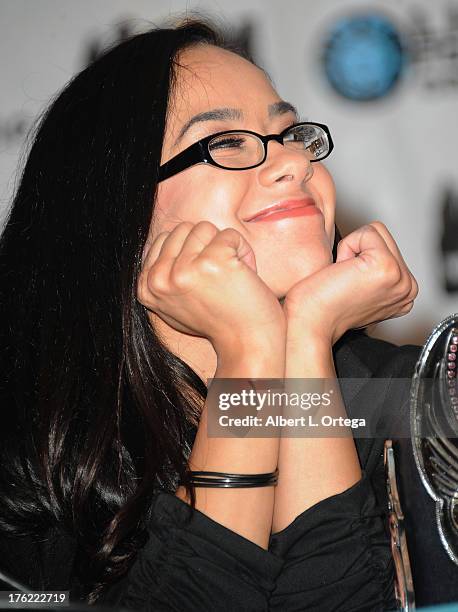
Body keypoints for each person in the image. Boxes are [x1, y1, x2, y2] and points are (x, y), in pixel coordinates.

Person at [0, 18, 421, 611]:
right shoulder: (29, 450)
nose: (293, 163)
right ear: (117, 209)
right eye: (226, 144)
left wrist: (302, 340)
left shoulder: (417, 403)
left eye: (289, 134)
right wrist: (249, 350)